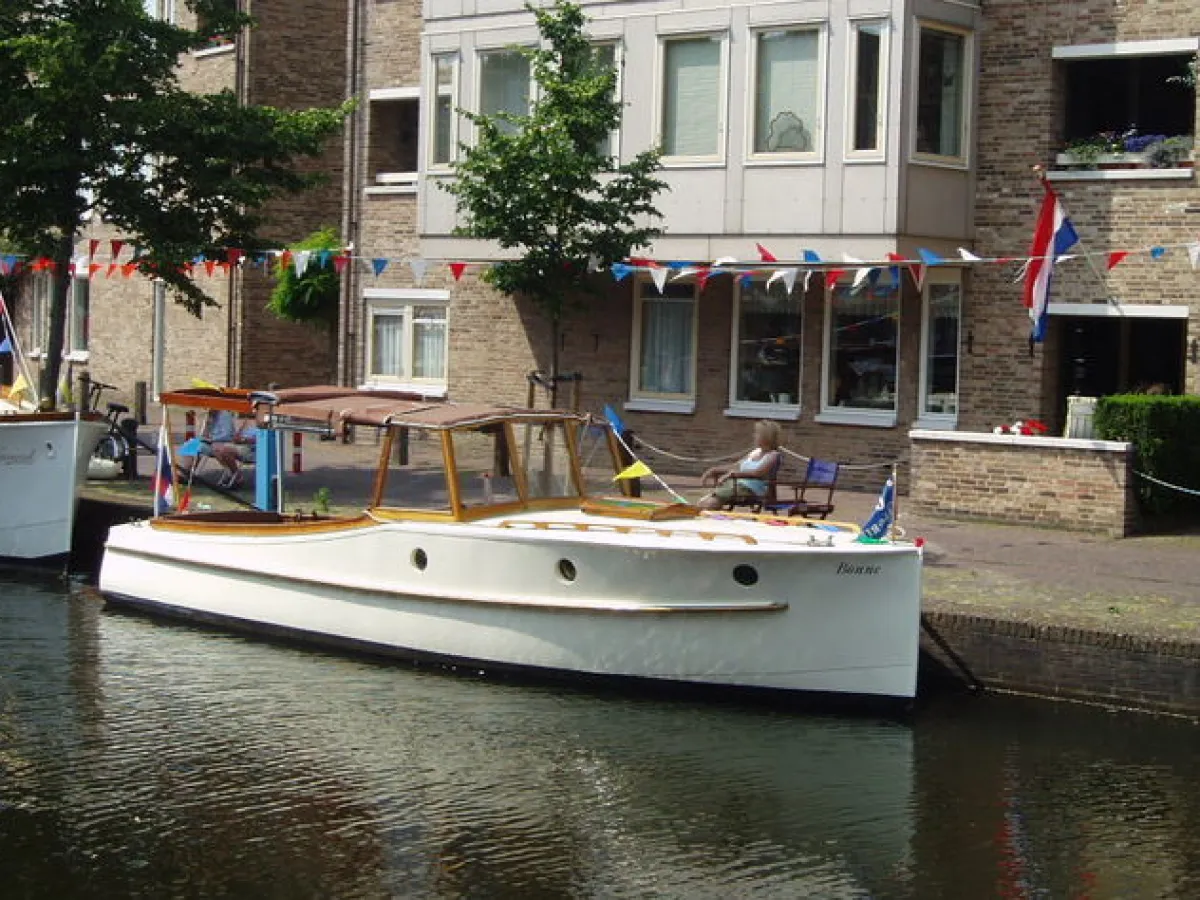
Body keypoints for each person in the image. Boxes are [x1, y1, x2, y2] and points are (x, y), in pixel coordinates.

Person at [698, 420, 782, 510]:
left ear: (766, 436)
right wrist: (714, 469)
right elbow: (736, 466)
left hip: (751, 489)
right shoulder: (755, 452)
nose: (754, 436)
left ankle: (717, 514)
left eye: (757, 433)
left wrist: (733, 475)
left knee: (711, 503)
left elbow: (758, 473)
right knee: (702, 503)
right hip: (736, 485)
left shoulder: (773, 455)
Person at [177, 410, 257, 488]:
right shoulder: (212, 416)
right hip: (222, 442)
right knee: (192, 444)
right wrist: (207, 428)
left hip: (239, 445)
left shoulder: (225, 415)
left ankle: (236, 476)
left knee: (220, 449)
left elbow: (228, 436)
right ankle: (186, 474)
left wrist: (243, 440)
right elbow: (206, 434)